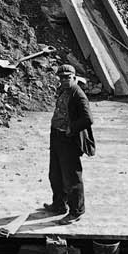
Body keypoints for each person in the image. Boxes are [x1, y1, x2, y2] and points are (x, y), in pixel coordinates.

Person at [37, 60, 95, 223]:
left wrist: (72, 129)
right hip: (57, 136)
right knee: (55, 173)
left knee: (71, 177)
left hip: (68, 140)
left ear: (75, 78)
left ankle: (76, 211)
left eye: (67, 77)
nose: (64, 80)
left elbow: (88, 119)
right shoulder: (63, 90)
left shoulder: (78, 95)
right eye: (61, 78)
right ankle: (59, 204)